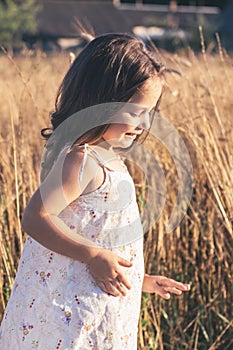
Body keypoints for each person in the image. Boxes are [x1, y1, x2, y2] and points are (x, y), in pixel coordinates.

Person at [0, 32, 190, 349]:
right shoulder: (81, 160)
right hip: (68, 318)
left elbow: (99, 233)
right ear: (99, 101)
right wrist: (93, 255)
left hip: (100, 311)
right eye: (135, 111)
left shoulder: (111, 160)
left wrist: (138, 280)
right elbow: (35, 217)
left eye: (150, 113)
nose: (143, 124)